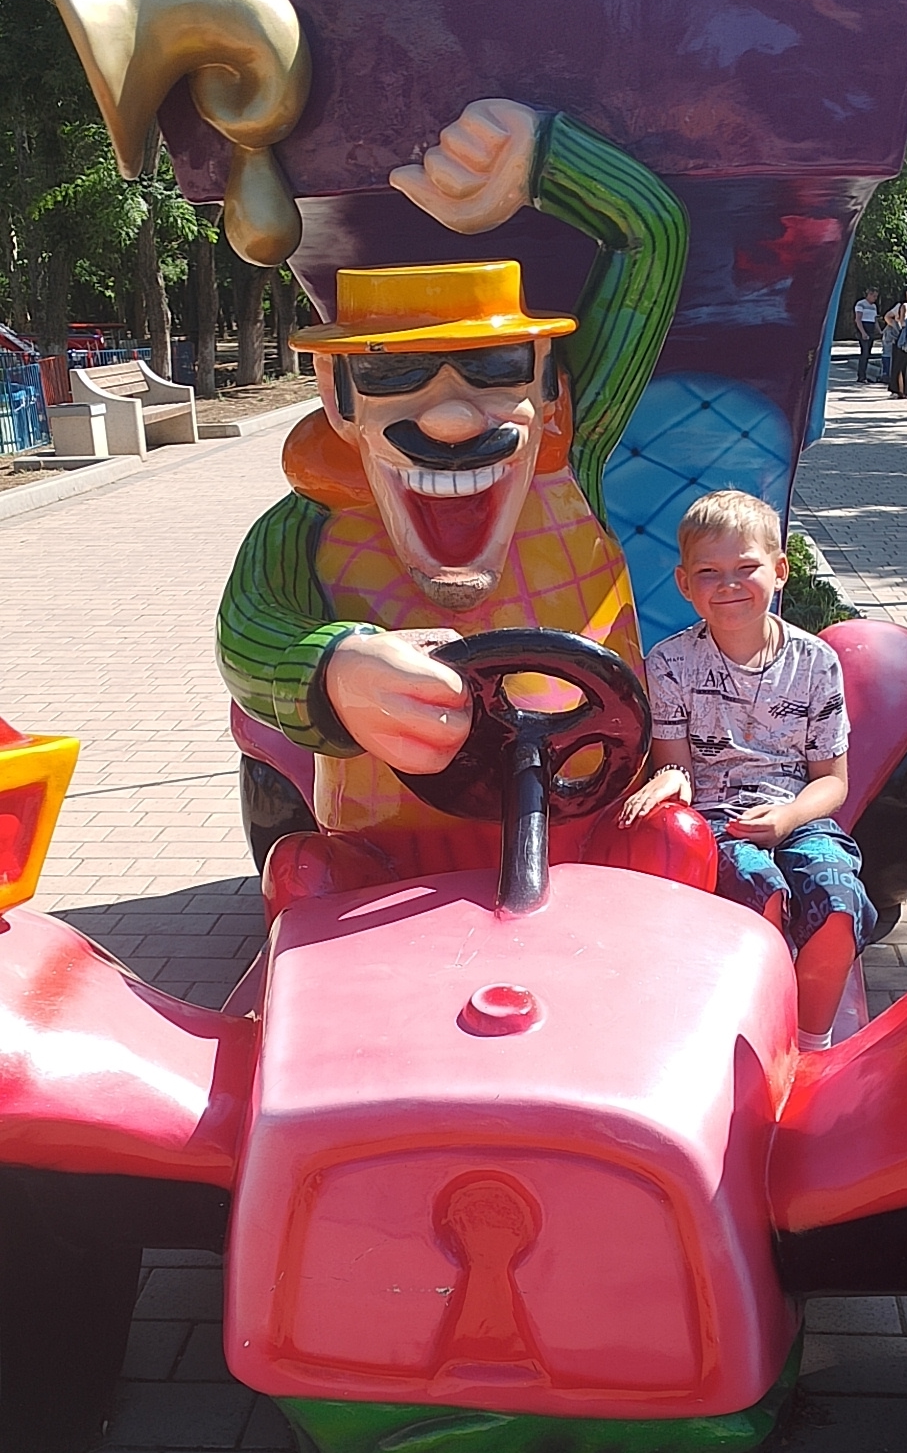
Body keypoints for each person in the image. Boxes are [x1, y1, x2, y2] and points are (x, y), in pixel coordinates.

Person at [216, 96, 691, 891]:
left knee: (678, 847)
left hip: (588, 835)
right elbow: (248, 632)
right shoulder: (305, 531)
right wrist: (329, 665)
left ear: (548, 389)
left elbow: (652, 239)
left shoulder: (570, 464)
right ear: (337, 395)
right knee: (299, 877)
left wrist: (547, 160)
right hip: (381, 855)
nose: (448, 418)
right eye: (395, 375)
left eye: (493, 370)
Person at [618, 491, 876, 1052]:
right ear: (685, 584)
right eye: (709, 573)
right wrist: (669, 778)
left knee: (835, 896)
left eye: (745, 568)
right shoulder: (670, 664)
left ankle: (813, 1041)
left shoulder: (815, 663)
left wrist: (788, 817)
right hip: (718, 818)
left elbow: (832, 781)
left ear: (780, 571)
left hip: (797, 814)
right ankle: (756, 1035)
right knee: (760, 889)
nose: (728, 585)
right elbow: (677, 764)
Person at [853, 287, 880, 383]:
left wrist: (879, 331)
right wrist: (863, 332)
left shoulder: (874, 306)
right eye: (874, 296)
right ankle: (861, 376)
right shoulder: (861, 304)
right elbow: (858, 319)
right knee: (864, 353)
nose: (875, 298)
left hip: (871, 328)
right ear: (869, 294)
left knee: (868, 353)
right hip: (864, 328)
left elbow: (875, 320)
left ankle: (864, 374)